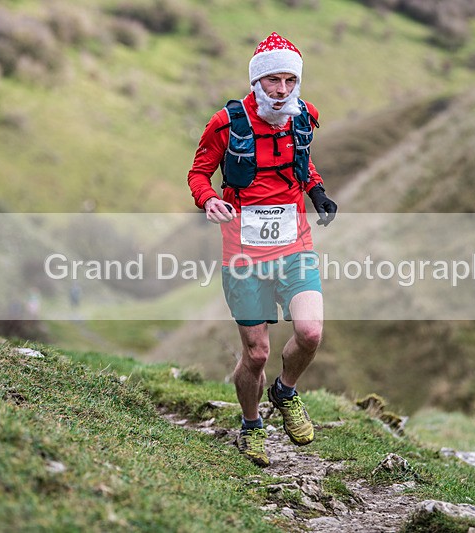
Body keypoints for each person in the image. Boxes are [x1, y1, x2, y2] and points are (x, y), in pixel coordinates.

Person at [187, 32, 337, 467]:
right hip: (243, 254)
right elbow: (198, 173)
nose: (282, 90)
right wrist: (208, 200)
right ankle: (251, 425)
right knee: (256, 354)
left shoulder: (303, 116)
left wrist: (317, 192)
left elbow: (303, 162)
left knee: (310, 332)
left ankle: (285, 391)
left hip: (295, 245)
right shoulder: (225, 123)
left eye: (291, 80)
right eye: (274, 80)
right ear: (257, 80)